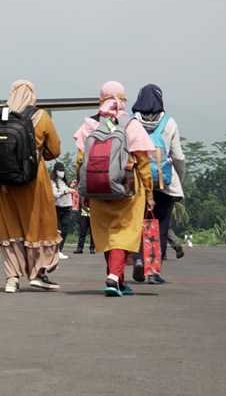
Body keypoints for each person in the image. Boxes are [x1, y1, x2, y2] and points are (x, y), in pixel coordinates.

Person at [0, 80, 62, 293]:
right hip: (33, 181)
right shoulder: (41, 117)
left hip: (2, 184)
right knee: (38, 225)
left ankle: (11, 278)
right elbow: (55, 150)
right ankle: (38, 273)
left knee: (10, 227)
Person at [74, 81, 154, 297]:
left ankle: (117, 280)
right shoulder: (131, 124)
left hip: (97, 189)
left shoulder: (90, 124)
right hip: (127, 189)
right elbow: (143, 162)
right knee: (123, 233)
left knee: (107, 234)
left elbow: (80, 160)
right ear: (123, 99)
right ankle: (114, 276)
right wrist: (149, 192)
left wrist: (84, 191)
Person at [130, 84, 187, 283]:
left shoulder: (132, 123)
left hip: (140, 183)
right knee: (161, 226)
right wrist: (180, 177)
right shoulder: (169, 123)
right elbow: (178, 156)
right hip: (164, 183)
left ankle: (138, 260)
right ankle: (153, 271)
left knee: (139, 223)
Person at [51, 162, 72, 259]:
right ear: (56, 171)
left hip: (67, 207)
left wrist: (70, 187)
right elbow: (55, 195)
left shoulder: (65, 181)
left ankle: (60, 249)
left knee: (65, 229)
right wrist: (65, 191)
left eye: (63, 170)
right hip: (58, 208)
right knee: (58, 230)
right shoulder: (53, 182)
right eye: (60, 170)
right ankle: (55, 250)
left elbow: (69, 190)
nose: (62, 172)